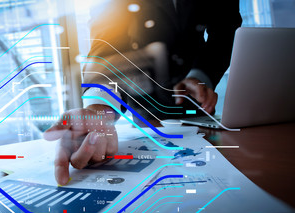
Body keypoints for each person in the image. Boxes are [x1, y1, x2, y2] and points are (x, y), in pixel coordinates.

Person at [44, 0, 242, 185]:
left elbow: (224, 29)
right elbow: (106, 40)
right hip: (145, 108)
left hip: (199, 108)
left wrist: (201, 75)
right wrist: (100, 106)